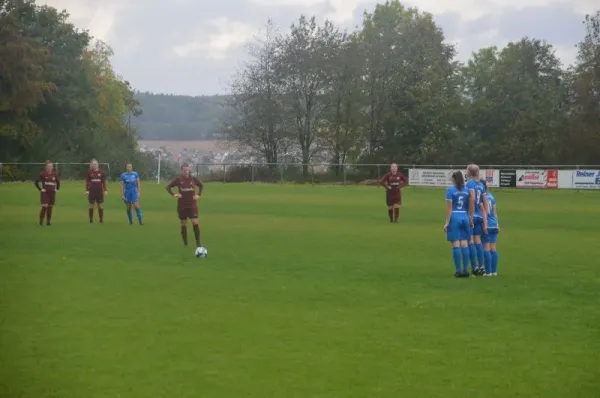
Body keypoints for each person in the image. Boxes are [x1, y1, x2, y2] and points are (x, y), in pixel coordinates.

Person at [166, 163, 204, 248]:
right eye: (184, 170)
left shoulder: (193, 179)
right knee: (183, 223)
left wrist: (199, 195)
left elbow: (201, 186)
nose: (186, 172)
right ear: (181, 170)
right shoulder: (178, 179)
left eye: (187, 170)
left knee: (195, 222)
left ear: (189, 170)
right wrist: (174, 194)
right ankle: (185, 243)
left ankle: (198, 243)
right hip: (182, 205)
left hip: (192, 205)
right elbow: (168, 187)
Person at [444, 171, 471, 277]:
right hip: (465, 216)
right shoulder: (467, 190)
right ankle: (466, 270)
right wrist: (470, 218)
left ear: (454, 179)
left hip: (455, 216)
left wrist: (447, 222)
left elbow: (449, 208)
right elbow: (469, 206)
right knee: (464, 243)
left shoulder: (450, 190)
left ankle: (458, 270)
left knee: (455, 243)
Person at [466, 164, 488, 276]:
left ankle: (474, 267)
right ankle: (482, 266)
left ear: (469, 173)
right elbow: (485, 199)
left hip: (472, 215)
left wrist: (470, 215)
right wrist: (487, 213)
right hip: (480, 216)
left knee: (470, 241)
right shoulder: (481, 184)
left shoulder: (470, 184)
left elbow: (472, 198)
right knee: (478, 240)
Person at [480, 179, 500, 276]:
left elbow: (484, 212)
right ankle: (494, 271)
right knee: (493, 248)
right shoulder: (491, 197)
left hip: (486, 224)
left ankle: (487, 272)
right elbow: (495, 213)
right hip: (494, 224)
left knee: (486, 248)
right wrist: (497, 224)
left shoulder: (481, 198)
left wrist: (484, 224)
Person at [34, 160, 60, 226]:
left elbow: (58, 182)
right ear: (46, 167)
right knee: (44, 206)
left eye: (51, 166)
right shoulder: (43, 174)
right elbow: (36, 182)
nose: (50, 167)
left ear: (52, 167)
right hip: (45, 193)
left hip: (52, 193)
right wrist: (40, 189)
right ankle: (41, 221)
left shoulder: (55, 174)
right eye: (48, 166)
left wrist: (57, 189)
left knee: (50, 207)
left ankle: (48, 221)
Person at [85, 159, 108, 223]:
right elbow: (87, 182)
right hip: (92, 191)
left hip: (99, 191)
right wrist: (87, 190)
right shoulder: (89, 172)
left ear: (97, 164)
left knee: (100, 205)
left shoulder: (102, 172)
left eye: (95, 164)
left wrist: (105, 190)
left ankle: (101, 219)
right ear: (91, 165)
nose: (94, 165)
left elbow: (103, 182)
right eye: (93, 164)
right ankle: (91, 220)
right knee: (91, 205)